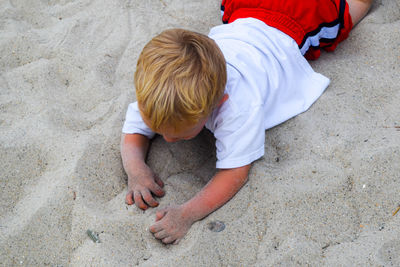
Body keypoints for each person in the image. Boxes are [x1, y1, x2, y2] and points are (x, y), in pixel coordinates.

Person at [121, 0, 373, 244]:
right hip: (245, 5)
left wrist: (187, 214)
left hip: (296, 16)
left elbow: (234, 172)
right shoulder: (161, 92)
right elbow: (133, 131)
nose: (167, 139)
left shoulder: (237, 106)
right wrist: (136, 170)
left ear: (217, 104)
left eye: (179, 135)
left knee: (348, 12)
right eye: (159, 129)